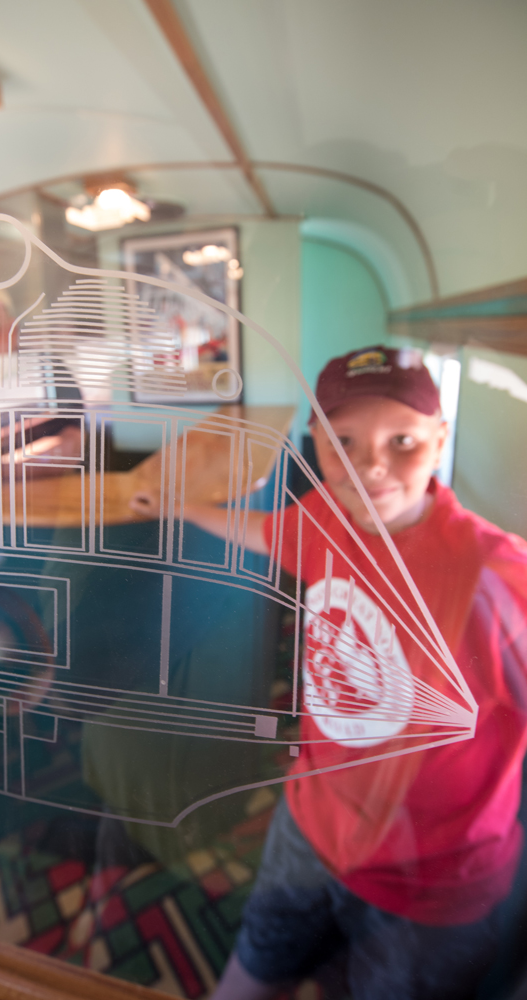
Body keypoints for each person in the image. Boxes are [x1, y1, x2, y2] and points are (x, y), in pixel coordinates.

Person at [130, 345, 527, 1000]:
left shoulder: (495, 576)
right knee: (254, 971)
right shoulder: (324, 520)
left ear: (439, 439)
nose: (369, 465)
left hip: (427, 884)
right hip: (309, 824)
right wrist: (177, 508)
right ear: (313, 439)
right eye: (342, 441)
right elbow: (262, 531)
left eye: (400, 440)